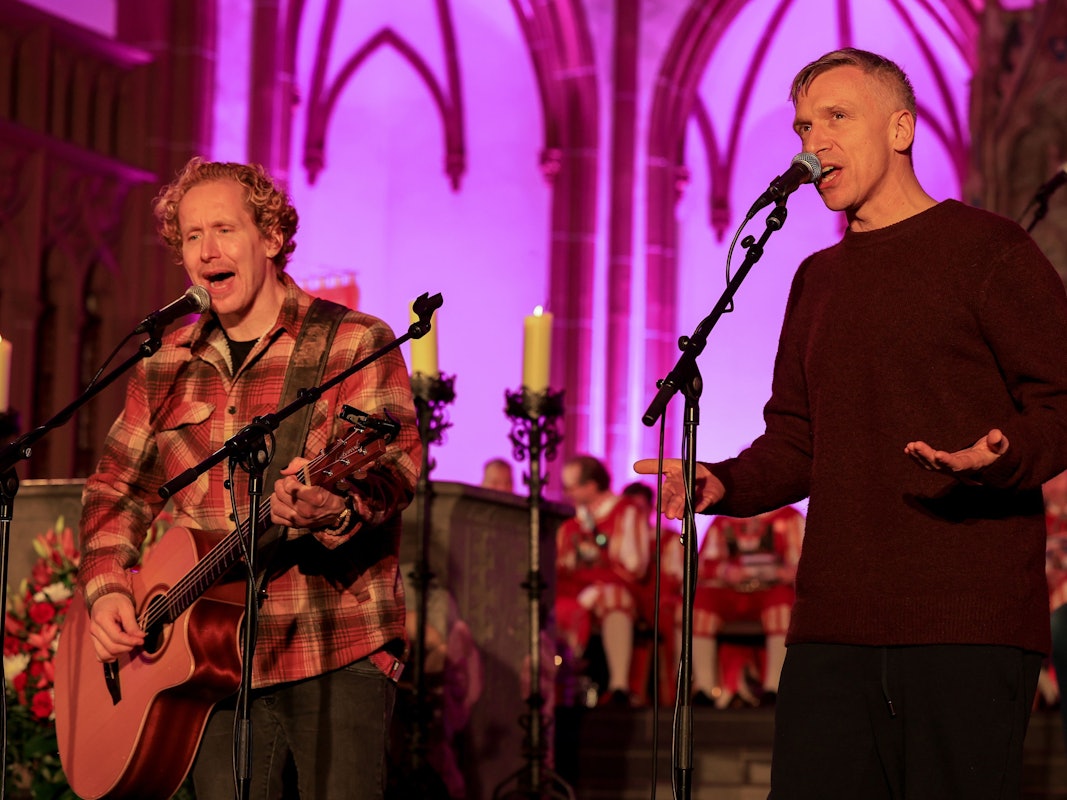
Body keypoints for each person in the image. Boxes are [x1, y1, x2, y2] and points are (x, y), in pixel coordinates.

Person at [636, 47, 1067, 799]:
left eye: (837, 116)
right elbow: (797, 440)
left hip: (963, 621)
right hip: (832, 622)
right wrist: (722, 480)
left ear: (899, 128)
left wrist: (1000, 454)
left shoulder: (989, 250)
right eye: (804, 124)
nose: (814, 140)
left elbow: (1061, 400)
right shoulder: (816, 278)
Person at [76, 157, 421, 799]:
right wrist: (107, 589)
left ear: (270, 236)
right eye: (190, 237)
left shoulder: (351, 342)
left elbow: (395, 467)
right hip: (206, 670)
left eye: (225, 231)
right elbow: (116, 488)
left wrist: (330, 506)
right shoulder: (164, 364)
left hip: (331, 645)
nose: (206, 251)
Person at [555, 455, 650, 705]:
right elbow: (562, 566)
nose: (568, 493)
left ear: (591, 486)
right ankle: (562, 686)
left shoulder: (625, 511)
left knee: (614, 599)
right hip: (576, 590)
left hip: (616, 588)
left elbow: (634, 566)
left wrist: (598, 582)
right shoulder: (570, 521)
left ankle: (619, 685)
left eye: (572, 487)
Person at [687, 506, 803, 709]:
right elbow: (704, 563)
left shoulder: (790, 519)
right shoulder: (723, 520)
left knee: (782, 603)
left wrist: (787, 572)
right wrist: (725, 570)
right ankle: (705, 688)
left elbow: (806, 561)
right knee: (701, 602)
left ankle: (773, 688)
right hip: (732, 592)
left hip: (772, 591)